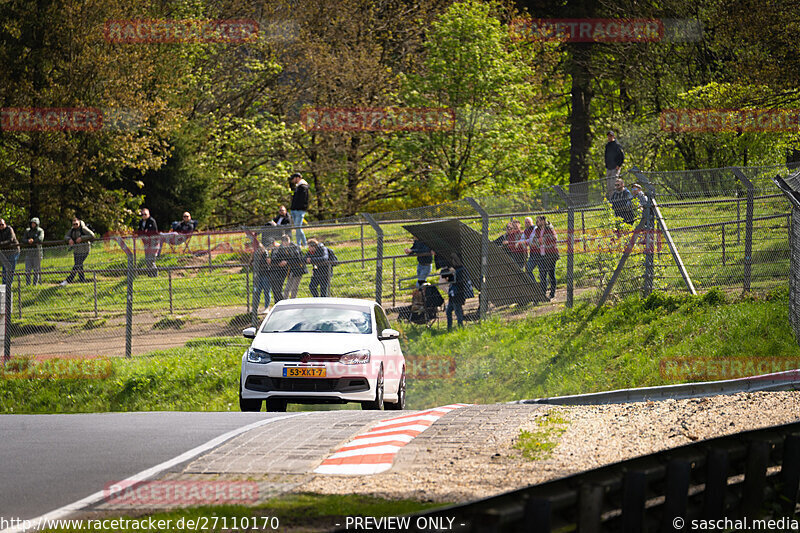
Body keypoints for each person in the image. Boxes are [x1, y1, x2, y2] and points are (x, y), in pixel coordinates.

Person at [443, 254, 473, 331]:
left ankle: (460, 327)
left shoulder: (461, 270)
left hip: (458, 294)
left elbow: (459, 282)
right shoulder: (456, 270)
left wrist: (450, 278)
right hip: (452, 294)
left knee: (458, 311)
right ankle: (449, 327)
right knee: (449, 311)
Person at [61, 217, 94, 285]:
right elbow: (65, 236)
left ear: (79, 223)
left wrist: (82, 238)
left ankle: (68, 280)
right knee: (79, 266)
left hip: (84, 250)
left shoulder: (83, 229)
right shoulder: (72, 230)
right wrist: (69, 239)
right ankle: (82, 281)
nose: (75, 225)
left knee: (77, 265)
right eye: (74, 224)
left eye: (76, 224)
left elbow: (92, 235)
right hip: (76, 251)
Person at [533, 215, 559, 300]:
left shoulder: (549, 228)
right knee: (542, 274)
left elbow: (554, 239)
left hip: (550, 254)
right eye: (536, 221)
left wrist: (543, 240)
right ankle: (543, 293)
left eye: (538, 221)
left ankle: (552, 292)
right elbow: (534, 240)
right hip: (541, 254)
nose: (537, 223)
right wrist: (538, 242)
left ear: (543, 221)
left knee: (551, 273)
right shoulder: (537, 230)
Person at [273, 234, 306, 299]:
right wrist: (279, 262)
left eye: (286, 242)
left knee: (294, 288)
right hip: (290, 270)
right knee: (287, 289)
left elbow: (298, 259)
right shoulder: (281, 248)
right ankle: (285, 301)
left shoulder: (294, 247)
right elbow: (277, 257)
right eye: (284, 243)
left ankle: (293, 301)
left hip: (298, 269)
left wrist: (287, 262)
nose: (285, 244)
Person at [250, 237, 276, 312]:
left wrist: (259, 264)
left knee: (266, 291)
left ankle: (266, 307)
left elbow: (267, 263)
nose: (260, 251)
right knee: (257, 292)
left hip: (265, 274)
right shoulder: (255, 254)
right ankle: (255, 308)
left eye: (260, 249)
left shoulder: (266, 253)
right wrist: (253, 263)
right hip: (258, 275)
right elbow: (251, 263)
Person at [135, 208, 159, 277]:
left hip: (153, 242)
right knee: (147, 259)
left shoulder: (152, 221)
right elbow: (139, 232)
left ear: (149, 214)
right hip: (146, 243)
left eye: (145, 214)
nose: (143, 216)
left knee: (151, 259)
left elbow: (152, 232)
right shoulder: (141, 222)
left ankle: (155, 274)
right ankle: (150, 274)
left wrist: (144, 233)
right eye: (142, 214)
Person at [289, 172, 310, 247]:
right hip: (295, 209)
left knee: (298, 228)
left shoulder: (303, 187)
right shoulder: (298, 187)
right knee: (297, 228)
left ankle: (302, 244)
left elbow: (304, 200)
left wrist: (300, 208)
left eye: (294, 178)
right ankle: (301, 244)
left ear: (298, 178)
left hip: (299, 210)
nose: (293, 180)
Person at [23, 217, 44, 285]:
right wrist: (28, 241)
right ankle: (28, 283)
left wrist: (33, 241)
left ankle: (35, 283)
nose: (33, 224)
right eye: (32, 223)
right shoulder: (27, 231)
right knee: (27, 269)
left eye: (34, 223)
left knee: (36, 269)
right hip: (29, 253)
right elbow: (23, 239)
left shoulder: (40, 230)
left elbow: (40, 239)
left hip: (37, 252)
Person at [0, 219, 20, 286]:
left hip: (13, 251)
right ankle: (4, 285)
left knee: (10, 268)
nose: (1, 226)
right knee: (4, 269)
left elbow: (10, 240)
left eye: (2, 224)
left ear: (5, 224)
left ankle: (8, 285)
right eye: (0, 225)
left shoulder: (9, 229)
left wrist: (1, 243)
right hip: (4, 252)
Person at [604, 131, 624, 196]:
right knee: (609, 186)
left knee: (613, 185)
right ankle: (611, 200)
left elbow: (622, 156)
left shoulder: (617, 145)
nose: (609, 137)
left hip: (615, 167)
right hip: (609, 167)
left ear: (613, 136)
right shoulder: (607, 146)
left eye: (611, 136)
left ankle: (615, 200)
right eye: (608, 136)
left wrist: (619, 165)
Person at [523, 217, 538, 283]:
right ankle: (534, 284)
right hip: (533, 254)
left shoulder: (535, 229)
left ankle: (543, 287)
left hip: (540, 253)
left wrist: (526, 241)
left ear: (532, 223)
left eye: (528, 222)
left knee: (543, 271)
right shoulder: (526, 231)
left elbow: (532, 239)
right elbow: (522, 239)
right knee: (528, 268)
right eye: (526, 222)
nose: (527, 224)